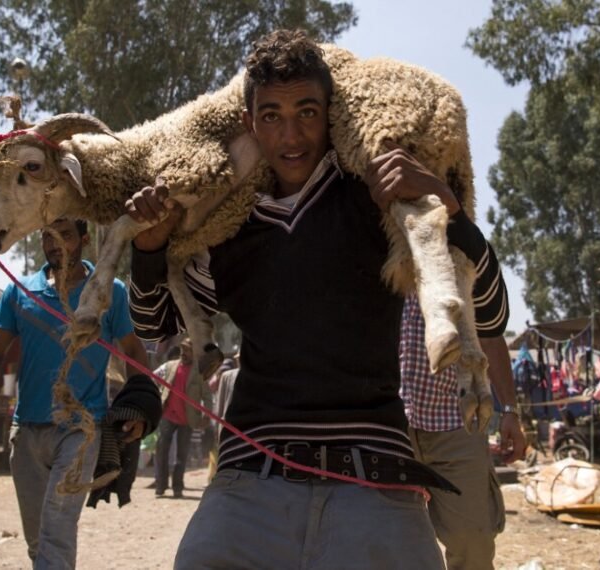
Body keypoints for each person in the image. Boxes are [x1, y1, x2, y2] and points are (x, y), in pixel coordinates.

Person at [127, 29, 509, 568]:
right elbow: (155, 323)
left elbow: (489, 311)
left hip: (374, 475)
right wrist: (148, 249)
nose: (291, 135)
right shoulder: (226, 232)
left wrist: (448, 209)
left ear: (331, 113)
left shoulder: (379, 205)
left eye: (307, 112)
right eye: (271, 116)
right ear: (248, 122)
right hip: (249, 475)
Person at [0, 217, 157, 569]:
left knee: (57, 532)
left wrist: (139, 404)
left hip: (82, 430)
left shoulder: (108, 291)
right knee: (39, 540)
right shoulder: (20, 291)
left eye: (65, 235)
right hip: (27, 431)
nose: (55, 244)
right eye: (48, 236)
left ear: (83, 238)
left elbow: (134, 352)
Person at [401, 294, 526, 570]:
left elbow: (491, 338)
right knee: (386, 543)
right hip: (389, 426)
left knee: (474, 545)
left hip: (456, 424)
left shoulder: (469, 256)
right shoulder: (371, 254)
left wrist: (510, 412)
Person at [152, 336, 212, 498]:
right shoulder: (170, 366)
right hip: (167, 415)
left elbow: (207, 396)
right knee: (161, 450)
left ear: (194, 353)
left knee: (181, 455)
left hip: (188, 419)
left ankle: (177, 487)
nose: (183, 353)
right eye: (183, 349)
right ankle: (161, 485)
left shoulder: (199, 372)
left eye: (187, 350)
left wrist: (207, 415)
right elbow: (153, 377)